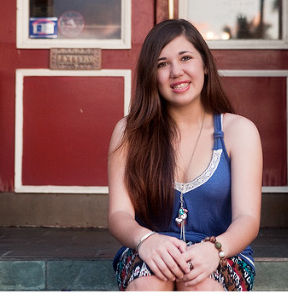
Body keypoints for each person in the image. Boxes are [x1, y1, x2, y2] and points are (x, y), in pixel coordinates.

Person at [107, 19, 263, 291]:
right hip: (148, 246)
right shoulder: (129, 131)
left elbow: (247, 219)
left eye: (185, 58)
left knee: (199, 286)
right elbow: (119, 214)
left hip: (222, 249)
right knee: (150, 284)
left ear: (204, 64)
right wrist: (146, 241)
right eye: (162, 64)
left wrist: (214, 249)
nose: (176, 71)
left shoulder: (239, 131)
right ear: (151, 75)